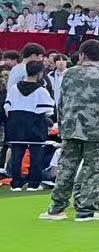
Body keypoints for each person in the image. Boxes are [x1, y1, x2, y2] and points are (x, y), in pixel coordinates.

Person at [39, 41, 99, 222]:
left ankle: (56, 208)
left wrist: (61, 126)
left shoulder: (69, 73)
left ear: (82, 54)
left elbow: (61, 103)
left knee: (66, 168)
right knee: (92, 171)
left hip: (70, 128)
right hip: (95, 130)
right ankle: (85, 210)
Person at [5, 58, 55, 192]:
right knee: (36, 155)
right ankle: (34, 184)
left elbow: (7, 107)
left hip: (17, 124)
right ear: (40, 73)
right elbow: (49, 110)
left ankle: (16, 184)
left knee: (17, 154)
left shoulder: (14, 89)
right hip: (35, 124)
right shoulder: (41, 91)